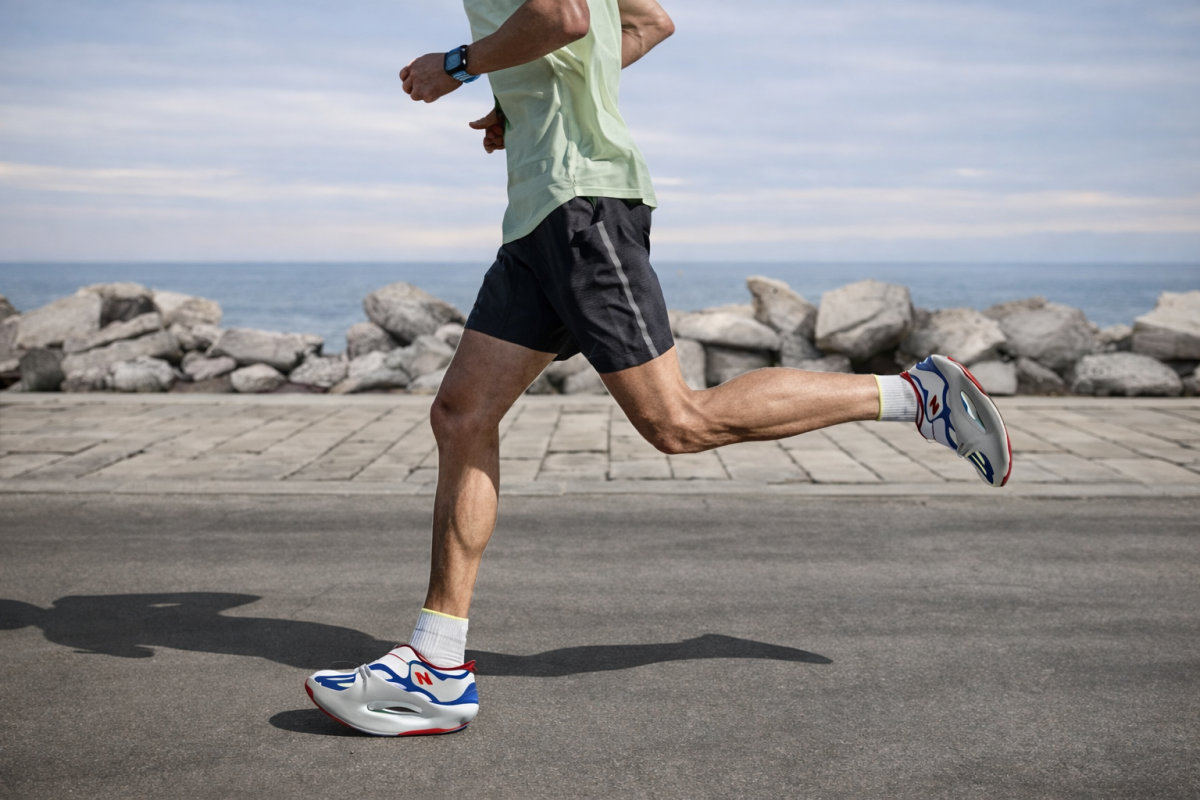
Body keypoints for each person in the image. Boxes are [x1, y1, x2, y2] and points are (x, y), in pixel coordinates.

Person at [305, 0, 1012, 736]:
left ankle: (917, 396)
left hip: (580, 206)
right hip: (541, 213)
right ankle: (436, 666)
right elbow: (645, 22)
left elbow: (563, 15)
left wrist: (458, 65)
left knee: (677, 422)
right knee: (461, 414)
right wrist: (526, 90)